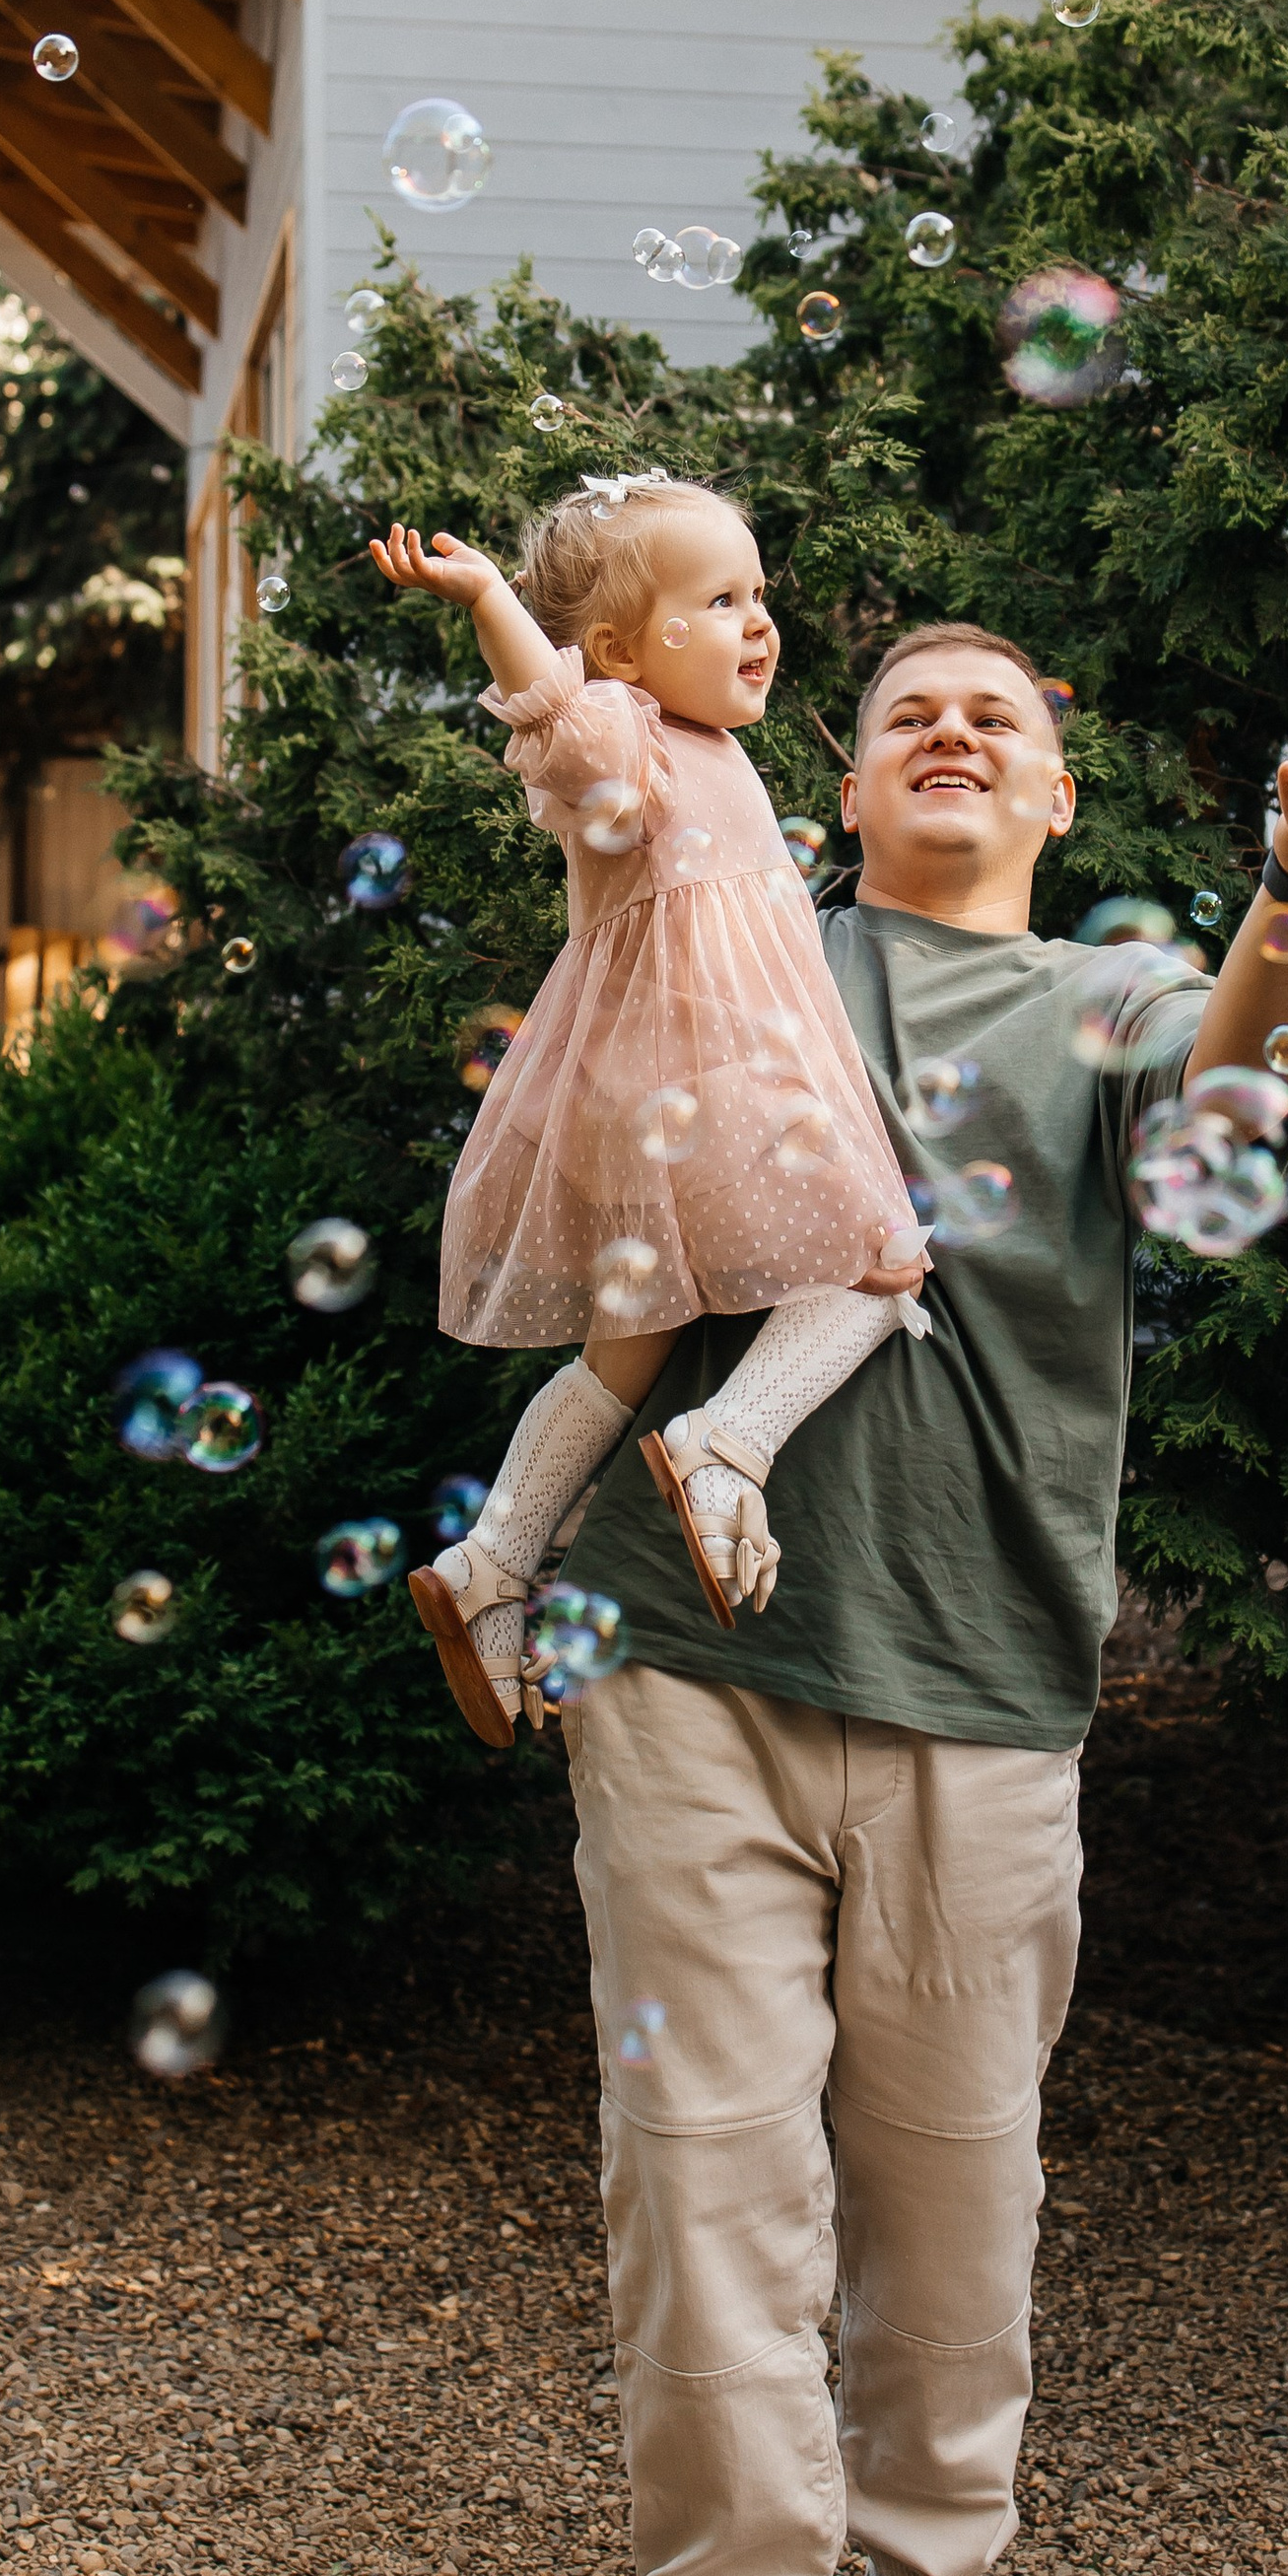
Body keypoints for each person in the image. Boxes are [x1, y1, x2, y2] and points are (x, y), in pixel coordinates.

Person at [537, 620, 1288, 2576]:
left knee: (961, 2182)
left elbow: (1254, 1075)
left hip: (984, 1681)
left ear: (1056, 802)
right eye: (902, 717)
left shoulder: (1115, 1005)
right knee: (705, 2181)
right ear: (840, 791)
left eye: (1003, 721)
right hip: (685, 1671)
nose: (951, 735)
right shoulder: (738, 938)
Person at [369, 477, 926, 1748]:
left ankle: (495, 1560)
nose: (759, 621)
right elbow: (558, 723)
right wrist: (492, 603)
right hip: (697, 1080)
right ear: (619, 649)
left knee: (623, 1353)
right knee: (883, 1265)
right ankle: (728, 1443)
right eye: (721, 600)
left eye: (760, 596)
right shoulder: (622, 729)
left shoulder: (710, 746)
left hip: (647, 1101)